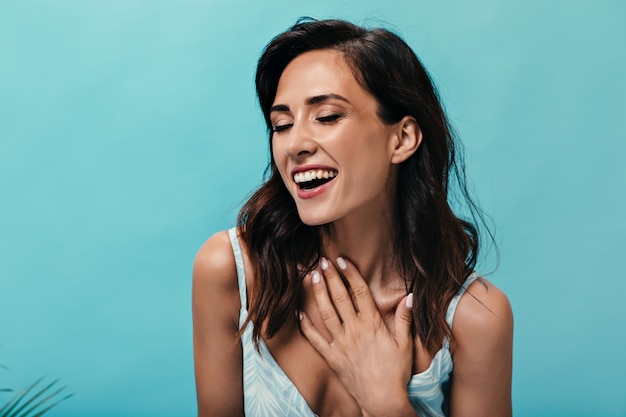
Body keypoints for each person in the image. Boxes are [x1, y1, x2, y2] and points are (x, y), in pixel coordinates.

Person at [192, 18, 513, 417]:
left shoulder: (475, 318)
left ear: (403, 138)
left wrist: (387, 402)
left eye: (326, 117)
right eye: (282, 124)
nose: (295, 145)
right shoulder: (230, 273)